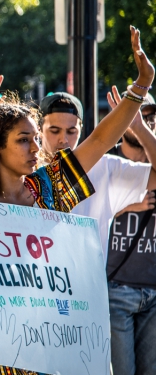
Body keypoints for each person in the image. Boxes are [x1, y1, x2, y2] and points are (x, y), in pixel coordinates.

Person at [0, 26, 153, 375]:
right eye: (23, 140)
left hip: (51, 360)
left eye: (35, 138)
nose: (36, 148)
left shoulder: (49, 188)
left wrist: (140, 86)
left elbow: (101, 138)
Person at [38, 91, 156, 256]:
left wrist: (138, 127)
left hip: (89, 280)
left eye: (71, 131)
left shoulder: (105, 167)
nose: (63, 139)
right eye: (54, 130)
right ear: (39, 130)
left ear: (81, 129)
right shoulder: (27, 171)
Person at [99, 94, 156, 375]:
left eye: (150, 115)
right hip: (115, 288)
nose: (145, 120)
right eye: (138, 113)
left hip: (153, 290)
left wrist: (143, 130)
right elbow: (91, 207)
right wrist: (130, 204)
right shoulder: (109, 162)